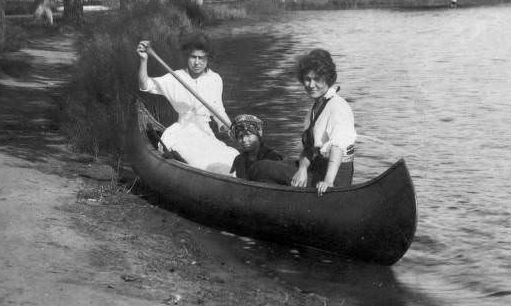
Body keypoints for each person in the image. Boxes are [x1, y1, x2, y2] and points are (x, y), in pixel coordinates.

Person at [251, 48, 357, 195]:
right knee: (266, 162)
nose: (311, 85)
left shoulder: (337, 106)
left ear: (328, 78)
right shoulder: (314, 109)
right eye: (307, 79)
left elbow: (338, 147)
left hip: (334, 176)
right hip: (317, 166)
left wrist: (328, 182)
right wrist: (302, 170)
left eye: (317, 79)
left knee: (261, 169)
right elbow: (309, 150)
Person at [136, 34, 239, 174]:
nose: (197, 63)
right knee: (199, 161)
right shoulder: (175, 77)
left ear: (208, 58)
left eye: (201, 58)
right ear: (187, 57)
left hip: (205, 133)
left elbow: (218, 110)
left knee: (232, 157)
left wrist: (229, 127)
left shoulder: (215, 79)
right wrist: (143, 60)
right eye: (193, 57)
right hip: (182, 133)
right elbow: (145, 85)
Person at [228, 114, 284, 181]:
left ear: (258, 135)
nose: (244, 140)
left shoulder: (273, 157)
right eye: (240, 136)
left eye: (248, 135)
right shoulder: (239, 160)